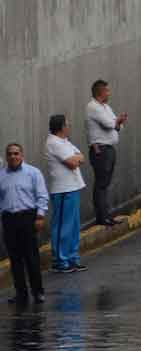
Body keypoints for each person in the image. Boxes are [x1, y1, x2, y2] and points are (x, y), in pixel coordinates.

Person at [0, 144, 49, 305]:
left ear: (22, 155)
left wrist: (40, 216)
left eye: (16, 153)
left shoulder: (33, 173)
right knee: (15, 259)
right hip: (9, 219)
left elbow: (42, 195)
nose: (13, 156)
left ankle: (38, 292)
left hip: (27, 218)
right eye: (10, 154)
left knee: (31, 257)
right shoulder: (1, 175)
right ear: (6, 157)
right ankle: (21, 293)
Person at [45, 116, 87, 274]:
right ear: (61, 127)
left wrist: (76, 158)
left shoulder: (65, 142)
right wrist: (76, 159)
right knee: (62, 226)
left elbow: (81, 156)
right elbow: (73, 162)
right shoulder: (54, 142)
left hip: (73, 187)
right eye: (67, 124)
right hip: (63, 190)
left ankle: (72, 258)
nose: (69, 126)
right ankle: (59, 260)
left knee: (74, 226)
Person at [86, 80, 126, 227]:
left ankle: (107, 215)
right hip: (100, 150)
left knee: (105, 184)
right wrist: (117, 121)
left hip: (109, 149)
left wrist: (117, 122)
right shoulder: (93, 107)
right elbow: (110, 124)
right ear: (100, 92)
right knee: (101, 184)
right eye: (107, 91)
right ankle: (102, 218)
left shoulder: (106, 107)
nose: (109, 93)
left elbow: (119, 126)